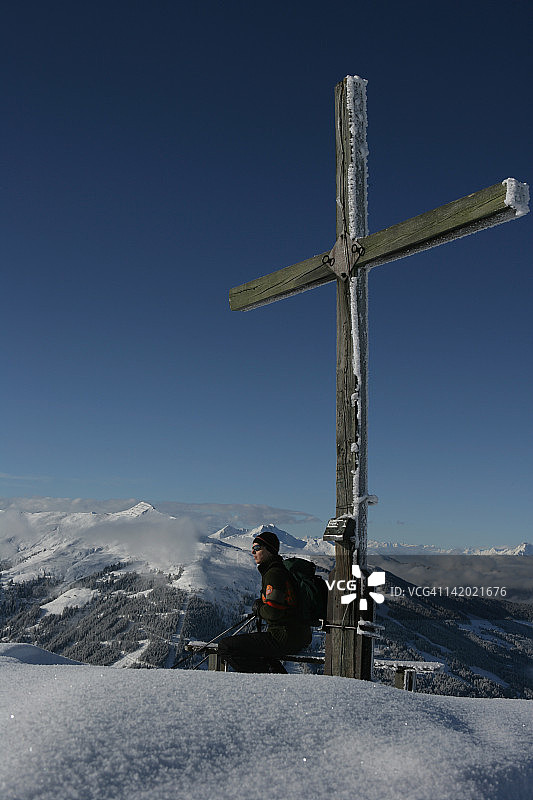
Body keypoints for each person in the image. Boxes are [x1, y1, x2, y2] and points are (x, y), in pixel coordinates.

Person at [217, 530, 312, 673]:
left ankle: (268, 677)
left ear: (269, 550)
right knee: (255, 649)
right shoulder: (278, 570)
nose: (253, 552)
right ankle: (275, 673)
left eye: (256, 548)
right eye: (252, 548)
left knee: (226, 646)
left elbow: (273, 612)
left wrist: (259, 608)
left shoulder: (273, 574)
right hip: (296, 635)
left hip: (283, 636)